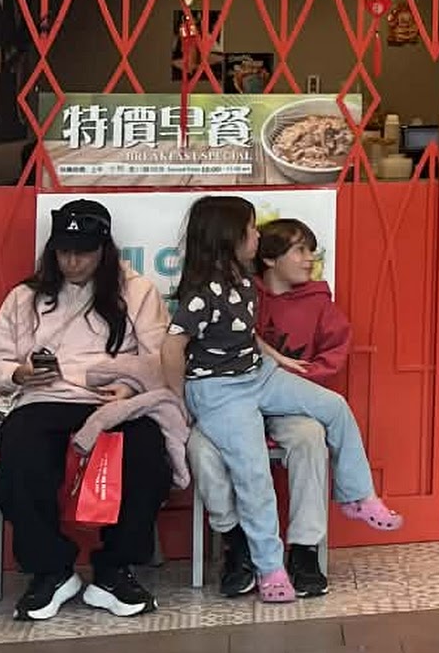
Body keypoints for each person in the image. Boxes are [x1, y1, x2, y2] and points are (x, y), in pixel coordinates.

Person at [165, 194, 402, 604]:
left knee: (335, 407)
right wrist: (179, 401)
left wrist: (276, 358)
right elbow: (171, 348)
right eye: (251, 229)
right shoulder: (201, 294)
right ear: (230, 237)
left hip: (257, 374)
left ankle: (357, 496)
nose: (257, 236)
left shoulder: (243, 282)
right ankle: (270, 568)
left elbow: (244, 332)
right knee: (254, 474)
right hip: (219, 391)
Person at [0, 199, 174, 619]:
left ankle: (114, 570)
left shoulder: (137, 291)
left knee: (147, 453)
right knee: (21, 454)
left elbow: (159, 359)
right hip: (45, 397)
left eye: (83, 252)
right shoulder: (24, 297)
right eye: (63, 252)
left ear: (104, 250)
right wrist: (19, 374)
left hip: (111, 400)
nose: (72, 262)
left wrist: (129, 387)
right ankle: (51, 571)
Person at [188, 217, 344, 599]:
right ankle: (236, 540)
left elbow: (333, 357)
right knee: (199, 447)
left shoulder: (321, 305)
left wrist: (293, 381)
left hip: (285, 401)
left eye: (311, 251)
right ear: (270, 258)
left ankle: (304, 550)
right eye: (300, 250)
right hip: (231, 401)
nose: (310, 259)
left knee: (310, 437)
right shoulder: (237, 292)